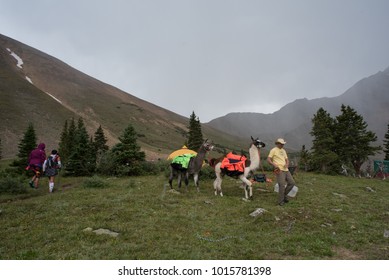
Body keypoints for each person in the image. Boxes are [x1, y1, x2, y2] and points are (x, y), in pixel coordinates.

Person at [267, 138, 296, 206]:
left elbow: (287, 159)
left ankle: (284, 196)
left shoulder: (283, 150)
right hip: (279, 169)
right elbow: (268, 159)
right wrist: (274, 164)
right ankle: (280, 201)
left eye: (283, 144)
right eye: (281, 144)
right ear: (277, 143)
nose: (282, 145)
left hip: (286, 169)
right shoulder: (273, 150)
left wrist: (287, 164)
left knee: (292, 183)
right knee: (282, 185)